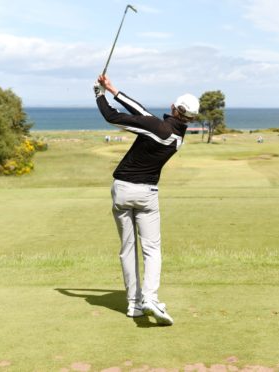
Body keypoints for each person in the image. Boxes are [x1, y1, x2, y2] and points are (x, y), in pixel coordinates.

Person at [93, 75, 199, 326]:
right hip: (147, 195)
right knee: (151, 250)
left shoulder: (156, 127)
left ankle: (134, 304)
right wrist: (113, 89)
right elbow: (141, 111)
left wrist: (98, 94)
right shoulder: (175, 135)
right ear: (191, 118)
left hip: (122, 191)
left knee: (128, 249)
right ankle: (149, 298)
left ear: (174, 108)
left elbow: (113, 117)